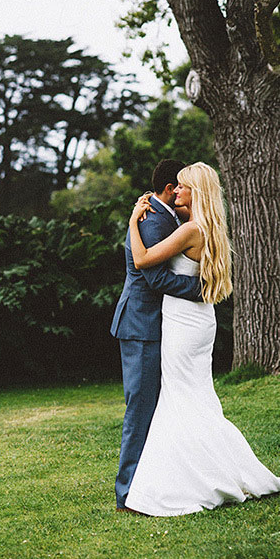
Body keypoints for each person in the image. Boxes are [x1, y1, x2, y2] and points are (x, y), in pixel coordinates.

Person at [123, 161, 280, 516]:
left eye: (184, 186)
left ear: (196, 192)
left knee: (183, 399)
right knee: (195, 400)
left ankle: (186, 480)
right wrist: (203, 290)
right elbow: (206, 282)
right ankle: (202, 471)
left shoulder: (189, 230)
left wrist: (131, 220)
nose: (178, 191)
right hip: (199, 323)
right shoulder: (211, 227)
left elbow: (142, 262)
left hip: (183, 327)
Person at [110, 158, 202, 512]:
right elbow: (154, 277)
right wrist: (201, 288)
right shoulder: (151, 219)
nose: (180, 192)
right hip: (141, 325)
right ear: (168, 189)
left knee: (156, 408)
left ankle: (151, 482)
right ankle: (127, 493)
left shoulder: (169, 217)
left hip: (154, 324)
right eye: (178, 186)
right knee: (140, 409)